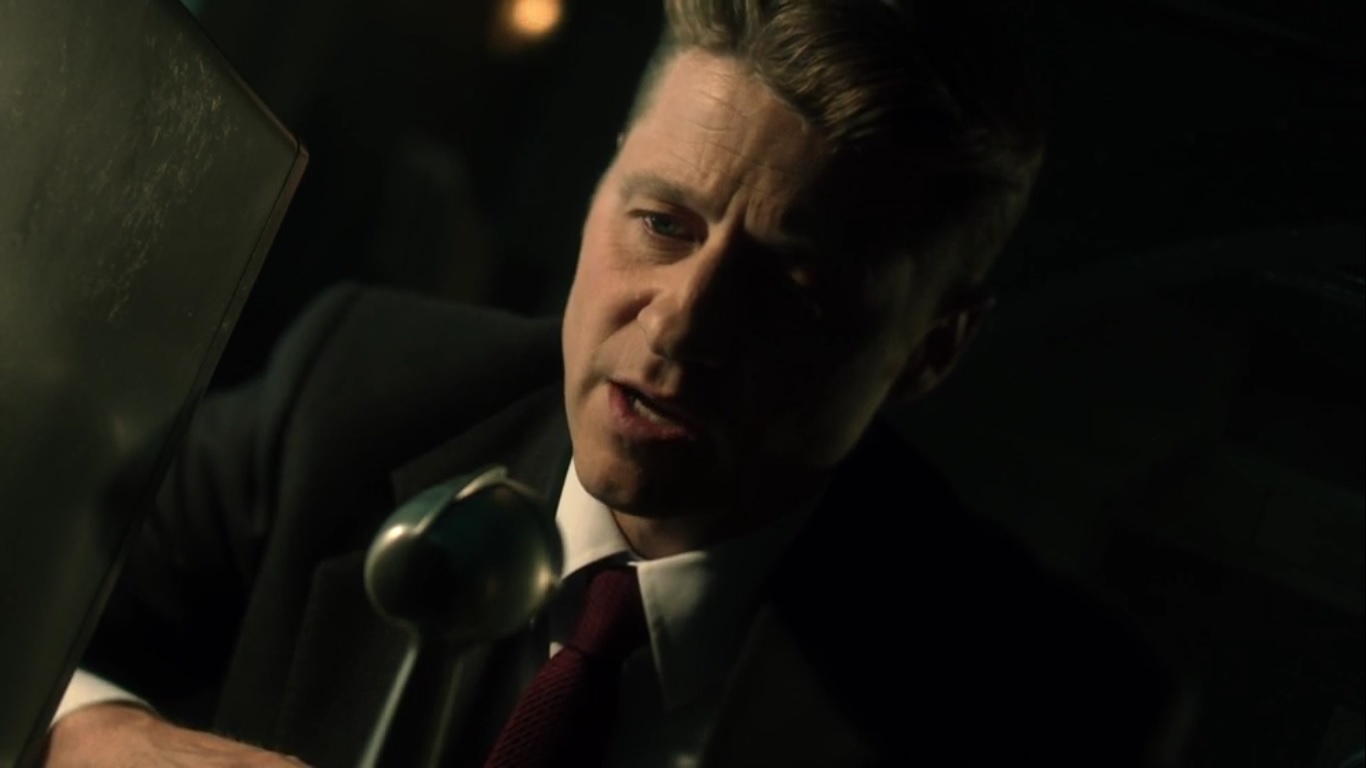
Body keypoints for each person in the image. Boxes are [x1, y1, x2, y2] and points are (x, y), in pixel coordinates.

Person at [43, 1, 1186, 766]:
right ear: (599, 192)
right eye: (662, 223)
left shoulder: (1050, 707)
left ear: (932, 348)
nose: (682, 324)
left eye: (793, 285)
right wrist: (104, 736)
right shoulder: (361, 388)